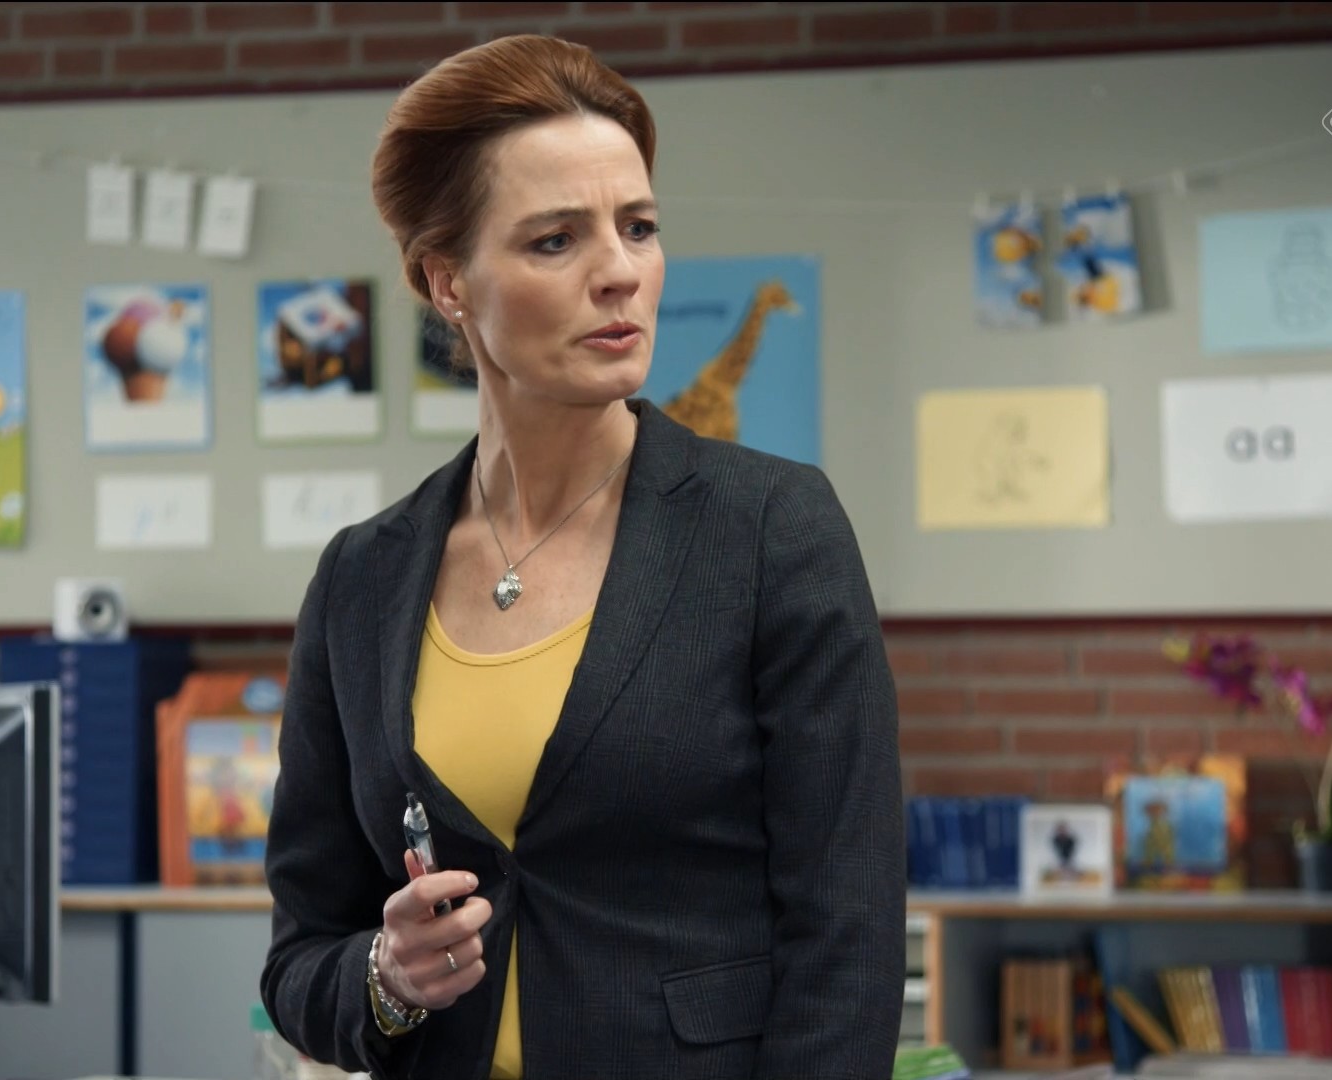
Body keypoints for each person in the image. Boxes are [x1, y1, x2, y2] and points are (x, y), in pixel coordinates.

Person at [260, 34, 905, 1080]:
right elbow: (300, 956)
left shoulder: (772, 530)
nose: (620, 272)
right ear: (448, 283)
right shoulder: (362, 578)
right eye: (556, 240)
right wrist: (386, 974)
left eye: (638, 227)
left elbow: (850, 937)